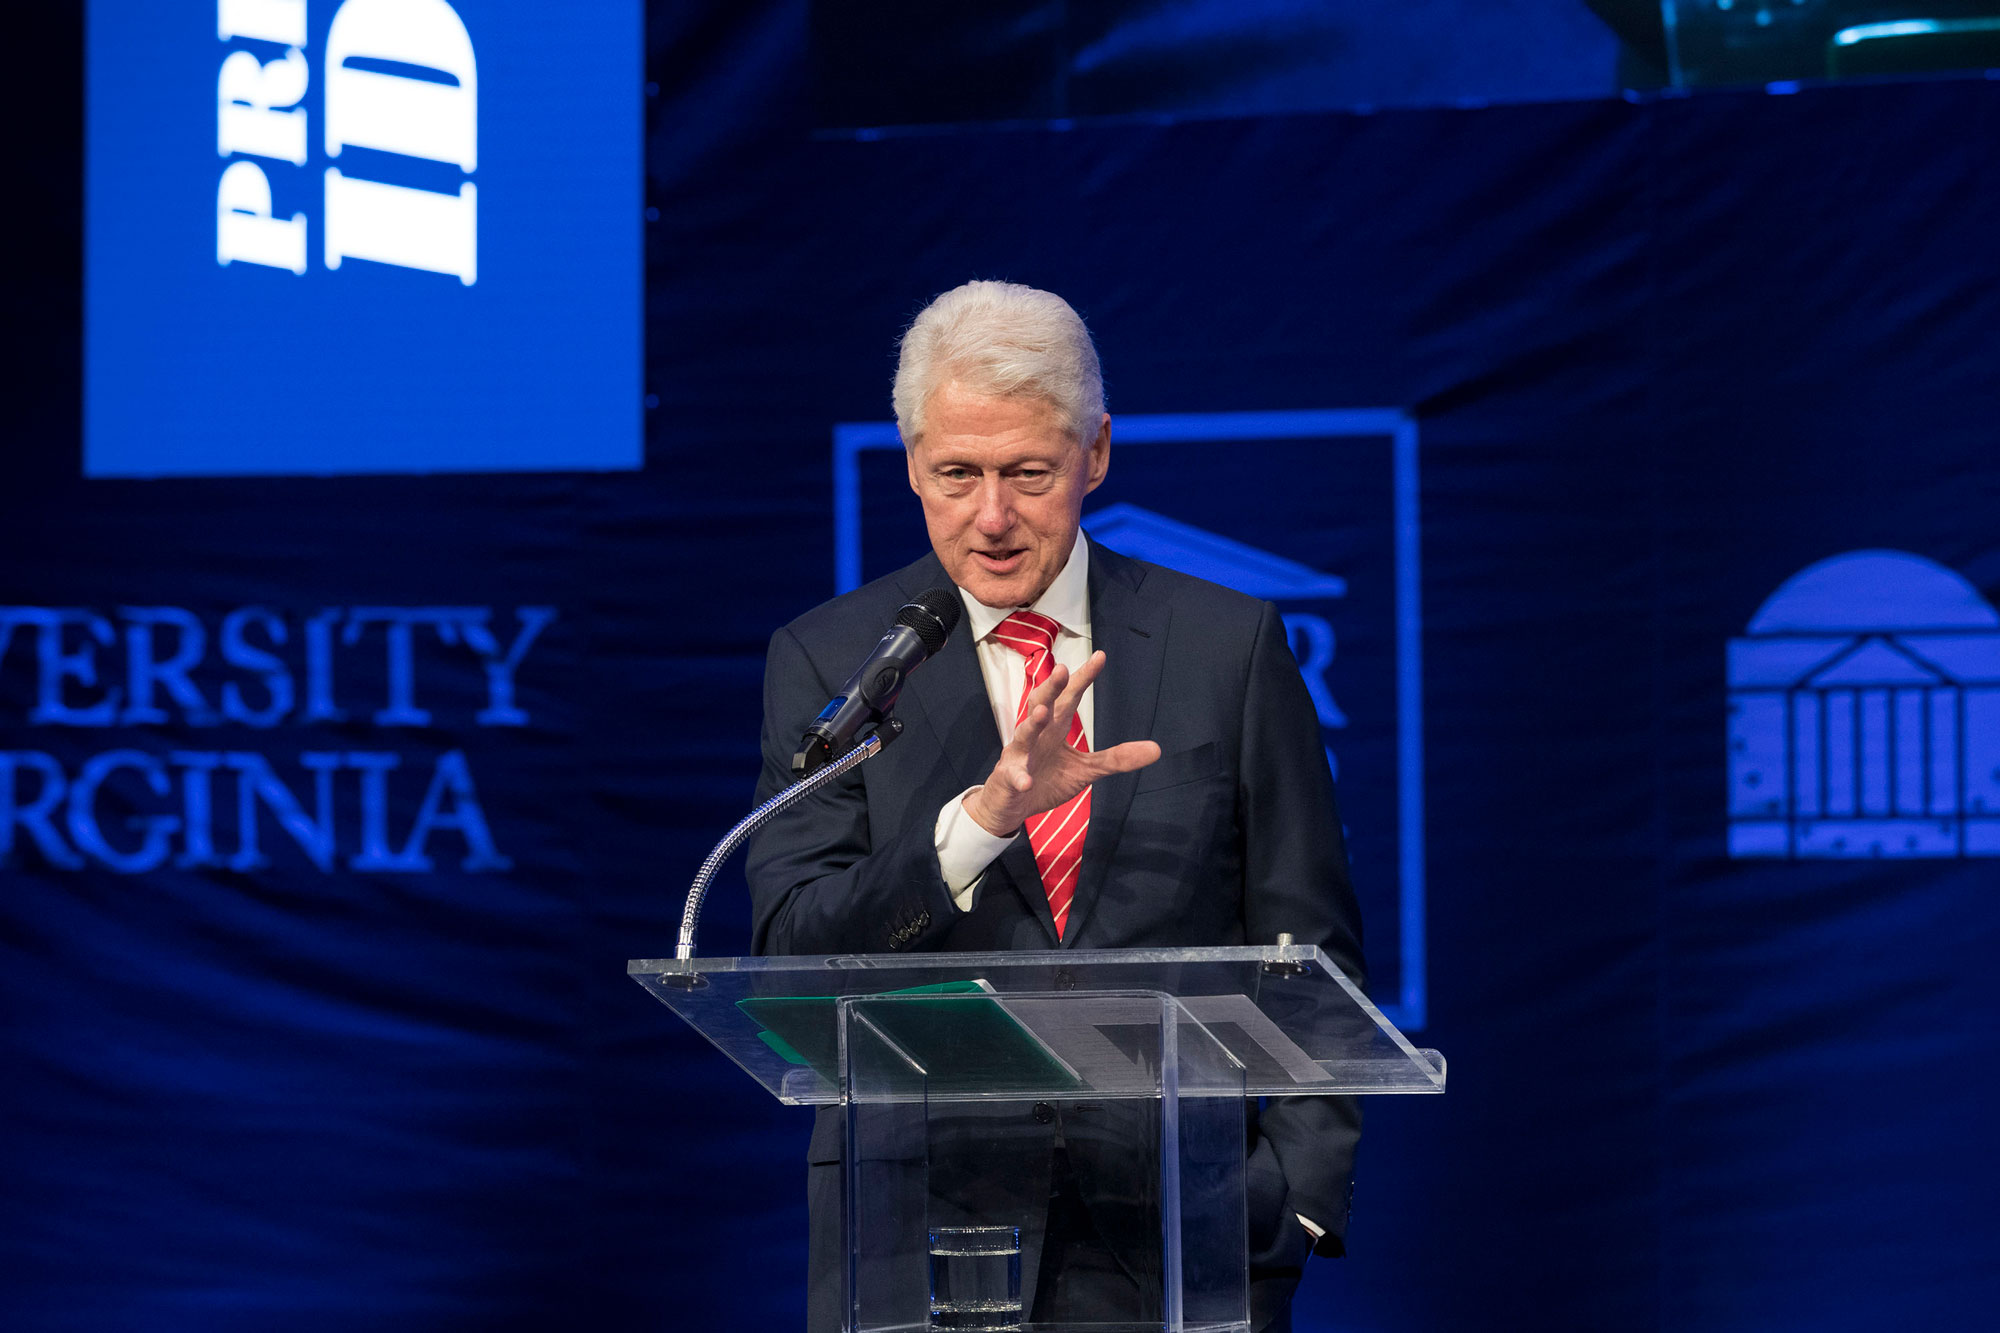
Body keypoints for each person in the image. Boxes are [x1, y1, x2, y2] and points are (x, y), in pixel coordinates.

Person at [746, 280, 1364, 1333]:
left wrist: (1292, 1199)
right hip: (919, 1237)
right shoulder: (834, 661)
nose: (991, 516)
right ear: (910, 465)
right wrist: (978, 821)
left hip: (1183, 1235)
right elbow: (791, 949)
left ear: (1096, 454)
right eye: (956, 474)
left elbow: (1309, 945)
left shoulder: (1224, 645)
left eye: (1027, 473)